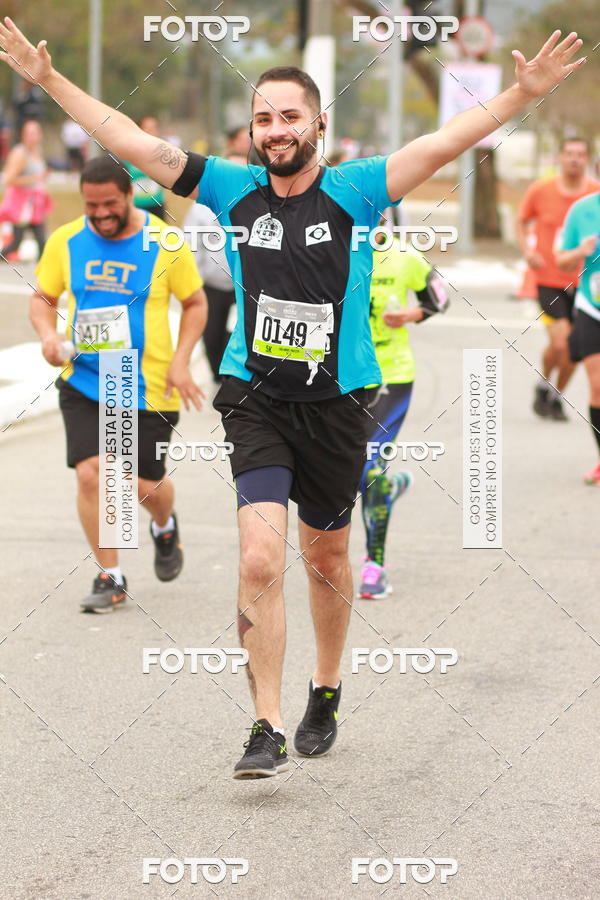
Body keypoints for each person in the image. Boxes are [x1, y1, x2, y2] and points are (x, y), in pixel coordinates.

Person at [1, 16, 584, 776]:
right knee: (256, 557)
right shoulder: (228, 186)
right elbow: (132, 143)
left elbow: (444, 143)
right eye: (264, 118)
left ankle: (328, 686)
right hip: (257, 398)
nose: (276, 131)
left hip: (339, 403)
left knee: (329, 556)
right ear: (252, 129)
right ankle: (265, 724)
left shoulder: (358, 188)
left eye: (289, 117)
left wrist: (520, 94)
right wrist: (45, 81)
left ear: (319, 123)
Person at [30, 155, 207, 611]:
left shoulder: (165, 241)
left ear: (130, 195)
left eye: (110, 203)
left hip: (147, 381)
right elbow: (43, 299)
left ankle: (164, 525)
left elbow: (196, 303)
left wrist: (183, 362)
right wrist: (49, 336)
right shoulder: (66, 240)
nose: (101, 213)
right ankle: (111, 575)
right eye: (92, 206)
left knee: (142, 484)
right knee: (95, 475)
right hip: (87, 377)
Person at [358, 234, 448, 600]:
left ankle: (374, 566)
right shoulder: (328, 248)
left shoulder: (404, 256)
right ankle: (388, 492)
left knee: (370, 467)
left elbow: (439, 297)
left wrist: (412, 314)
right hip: (339, 376)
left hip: (391, 375)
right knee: (345, 472)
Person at [517, 138, 599, 420]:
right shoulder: (541, 189)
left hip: (586, 285)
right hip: (549, 277)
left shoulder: (595, 194)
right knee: (562, 343)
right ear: (560, 158)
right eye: (569, 153)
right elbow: (521, 220)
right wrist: (528, 251)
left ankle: (552, 393)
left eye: (580, 154)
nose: (574, 159)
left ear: (587, 159)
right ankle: (546, 383)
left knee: (574, 348)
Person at [556, 192, 600, 485]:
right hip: (591, 308)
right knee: (598, 386)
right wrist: (580, 251)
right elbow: (561, 261)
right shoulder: (582, 210)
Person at [184, 165, 236, 384]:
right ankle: (218, 376)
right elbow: (190, 244)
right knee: (212, 335)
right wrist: (196, 281)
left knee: (240, 332)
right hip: (213, 285)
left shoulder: (251, 201)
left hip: (245, 285)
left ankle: (235, 377)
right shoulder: (200, 209)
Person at [0, 118, 51, 260]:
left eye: (35, 133)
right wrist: (36, 177)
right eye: (29, 133)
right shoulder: (20, 153)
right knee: (16, 243)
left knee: (42, 241)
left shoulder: (37, 151)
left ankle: (43, 274)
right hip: (22, 207)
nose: (33, 137)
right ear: (23, 136)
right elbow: (9, 179)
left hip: (34, 205)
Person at [124, 116, 168, 220]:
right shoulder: (128, 154)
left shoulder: (164, 154)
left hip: (157, 205)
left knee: (157, 234)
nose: (151, 132)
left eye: (154, 128)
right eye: (147, 128)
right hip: (136, 206)